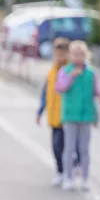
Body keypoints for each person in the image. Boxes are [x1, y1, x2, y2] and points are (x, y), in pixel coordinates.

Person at [55, 41, 100, 191]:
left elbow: (94, 92)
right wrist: (71, 77)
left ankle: (85, 178)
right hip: (70, 115)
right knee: (69, 148)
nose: (78, 58)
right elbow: (60, 87)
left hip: (86, 116)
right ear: (70, 56)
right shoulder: (65, 71)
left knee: (84, 148)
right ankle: (68, 177)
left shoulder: (90, 73)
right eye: (75, 54)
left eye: (81, 55)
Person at [36, 38, 81, 186]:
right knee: (56, 147)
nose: (60, 57)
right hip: (54, 117)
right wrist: (40, 111)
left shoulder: (70, 71)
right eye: (57, 54)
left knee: (67, 146)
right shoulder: (51, 72)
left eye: (63, 54)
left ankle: (69, 170)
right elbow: (45, 93)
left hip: (67, 116)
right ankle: (61, 171)